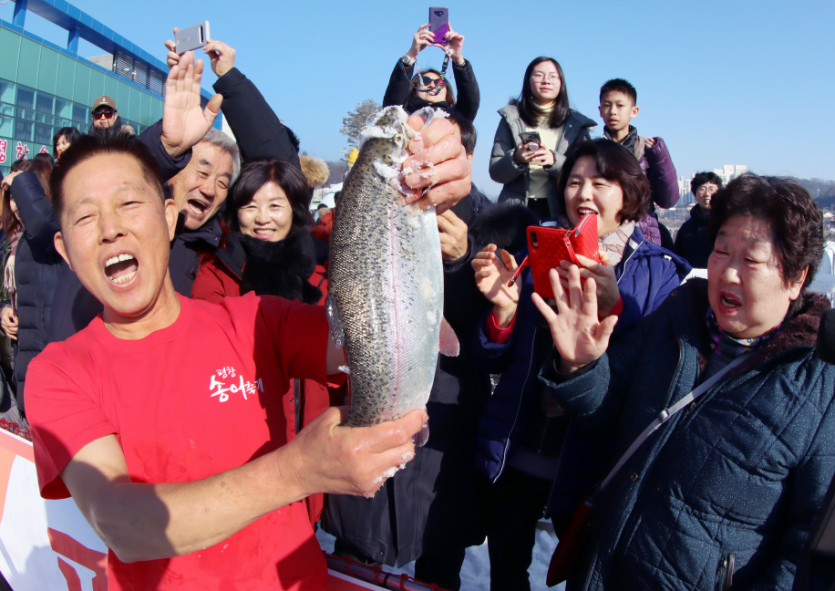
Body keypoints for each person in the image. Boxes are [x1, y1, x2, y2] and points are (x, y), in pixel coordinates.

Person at [538, 174, 834, 590]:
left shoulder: (817, 383)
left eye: (750, 260)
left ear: (796, 277)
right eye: (720, 250)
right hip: (602, 572)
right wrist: (582, 365)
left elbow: (808, 543)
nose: (728, 273)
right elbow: (602, 408)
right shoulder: (678, 317)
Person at [471, 138, 690, 591]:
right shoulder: (534, 251)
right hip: (515, 453)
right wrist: (503, 313)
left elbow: (656, 376)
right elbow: (490, 358)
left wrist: (617, 311)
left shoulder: (659, 272)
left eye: (601, 182)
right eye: (574, 181)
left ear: (629, 195)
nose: (583, 194)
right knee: (506, 576)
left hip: (592, 469)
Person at [321, 116, 493, 591]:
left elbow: (490, 333)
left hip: (444, 446)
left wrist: (461, 260)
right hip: (368, 472)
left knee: (440, 567)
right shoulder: (369, 199)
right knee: (357, 563)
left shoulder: (481, 214)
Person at [490, 56, 596, 219]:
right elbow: (496, 172)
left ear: (561, 83)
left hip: (559, 209)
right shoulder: (511, 119)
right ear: (528, 80)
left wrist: (554, 160)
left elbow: (586, 172)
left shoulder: (576, 124)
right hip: (515, 212)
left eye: (553, 76)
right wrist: (516, 158)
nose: (546, 81)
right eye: (539, 75)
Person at [0, 157, 57, 419]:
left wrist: (18, 182)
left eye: (23, 194)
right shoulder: (11, 240)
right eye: (13, 197)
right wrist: (3, 309)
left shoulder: (54, 238)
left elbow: (43, 225)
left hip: (45, 359)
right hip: (15, 347)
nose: (16, 203)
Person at [598, 78, 679, 247]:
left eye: (620, 105)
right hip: (603, 235)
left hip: (642, 237)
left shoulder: (648, 150)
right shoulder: (593, 151)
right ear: (600, 110)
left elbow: (668, 200)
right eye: (607, 105)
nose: (613, 111)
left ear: (634, 111)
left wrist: (659, 157)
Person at [383, 23, 480, 123]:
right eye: (425, 81)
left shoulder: (457, 118)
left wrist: (458, 59)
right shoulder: (402, 115)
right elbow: (394, 101)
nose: (432, 85)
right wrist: (411, 55)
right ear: (414, 88)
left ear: (448, 93)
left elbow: (470, 102)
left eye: (440, 83)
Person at [673, 171, 723, 268]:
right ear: (695, 195)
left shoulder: (725, 225)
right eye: (702, 189)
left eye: (712, 189)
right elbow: (677, 258)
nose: (707, 194)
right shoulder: (686, 228)